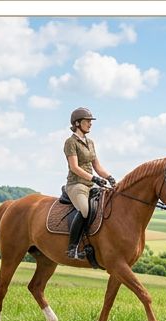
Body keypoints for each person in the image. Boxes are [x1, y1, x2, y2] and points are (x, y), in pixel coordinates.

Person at [63, 106, 115, 261]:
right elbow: (74, 167)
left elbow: (97, 166)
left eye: (90, 121)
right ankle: (72, 247)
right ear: (77, 123)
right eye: (87, 121)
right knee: (85, 210)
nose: (90, 124)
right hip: (76, 184)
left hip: (90, 184)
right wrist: (93, 179)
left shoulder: (90, 142)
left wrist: (110, 177)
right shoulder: (70, 142)